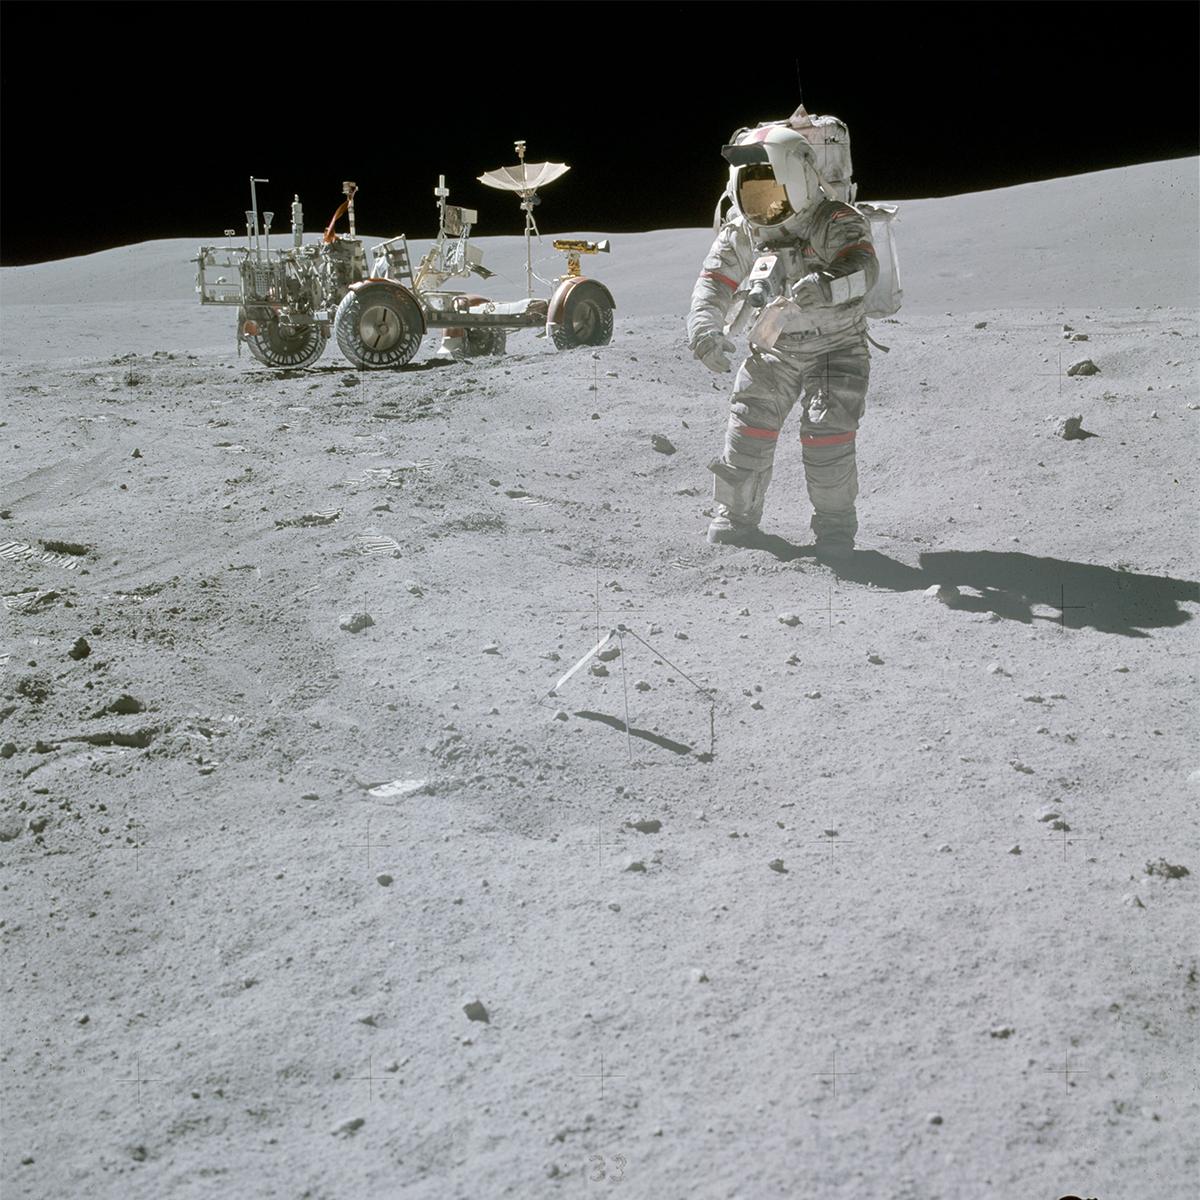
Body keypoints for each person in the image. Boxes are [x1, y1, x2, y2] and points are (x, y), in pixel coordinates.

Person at [686, 123, 879, 560]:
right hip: (776, 347)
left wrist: (828, 285)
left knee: (826, 431)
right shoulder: (742, 231)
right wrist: (704, 329)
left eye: (772, 189)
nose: (763, 204)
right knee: (747, 424)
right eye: (752, 192)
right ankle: (736, 517)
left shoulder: (835, 220)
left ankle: (834, 528)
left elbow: (865, 269)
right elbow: (712, 283)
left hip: (837, 346)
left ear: (797, 180)